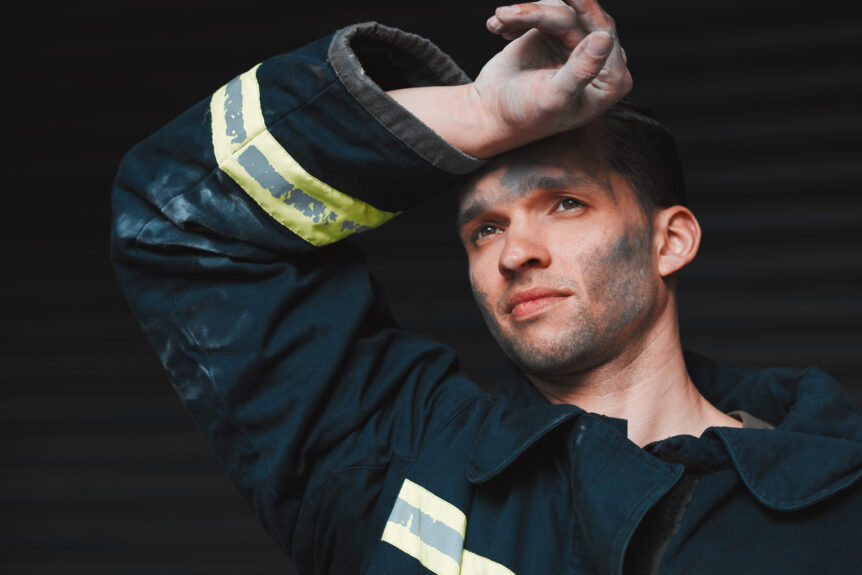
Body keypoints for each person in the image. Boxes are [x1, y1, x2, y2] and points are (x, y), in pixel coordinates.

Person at [111, 1, 862, 573]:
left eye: (565, 204)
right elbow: (177, 211)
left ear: (670, 241)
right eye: (484, 229)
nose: (515, 253)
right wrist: (480, 114)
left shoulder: (838, 498)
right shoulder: (391, 456)